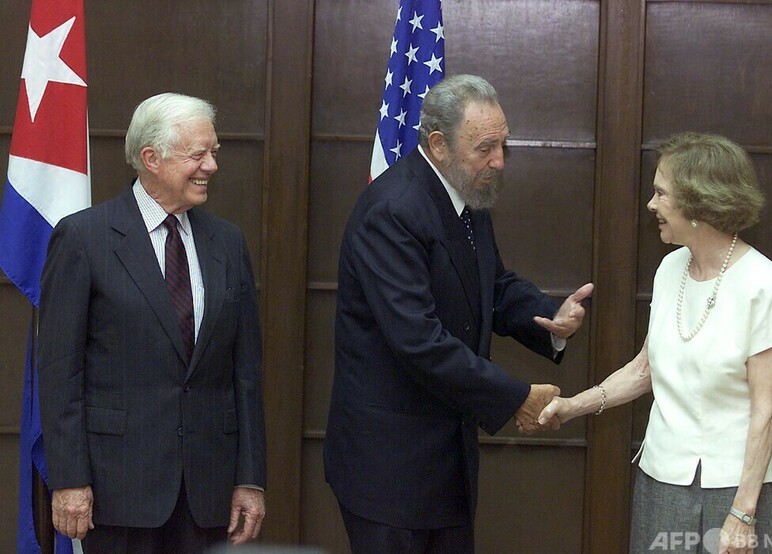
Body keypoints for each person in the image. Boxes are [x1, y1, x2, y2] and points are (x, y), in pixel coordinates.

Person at [323, 74, 594, 553]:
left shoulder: (466, 194)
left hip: (445, 461)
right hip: (389, 468)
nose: (499, 161)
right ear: (438, 144)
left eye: (503, 145)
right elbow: (418, 340)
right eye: (485, 148)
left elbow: (491, 286)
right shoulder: (392, 211)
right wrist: (516, 397)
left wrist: (551, 315)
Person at [539, 132, 772, 553]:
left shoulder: (763, 286)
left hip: (734, 490)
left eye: (661, 193)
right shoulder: (670, 268)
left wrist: (743, 515)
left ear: (698, 204)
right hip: (661, 479)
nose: (651, 204)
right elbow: (645, 368)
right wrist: (572, 406)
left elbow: (766, 412)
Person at [37, 93, 267, 552]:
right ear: (151, 158)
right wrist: (69, 480)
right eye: (198, 154)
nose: (211, 166)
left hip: (207, 492)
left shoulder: (227, 242)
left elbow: (245, 373)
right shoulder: (84, 238)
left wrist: (250, 479)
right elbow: (60, 372)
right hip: (117, 489)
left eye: (214, 152)